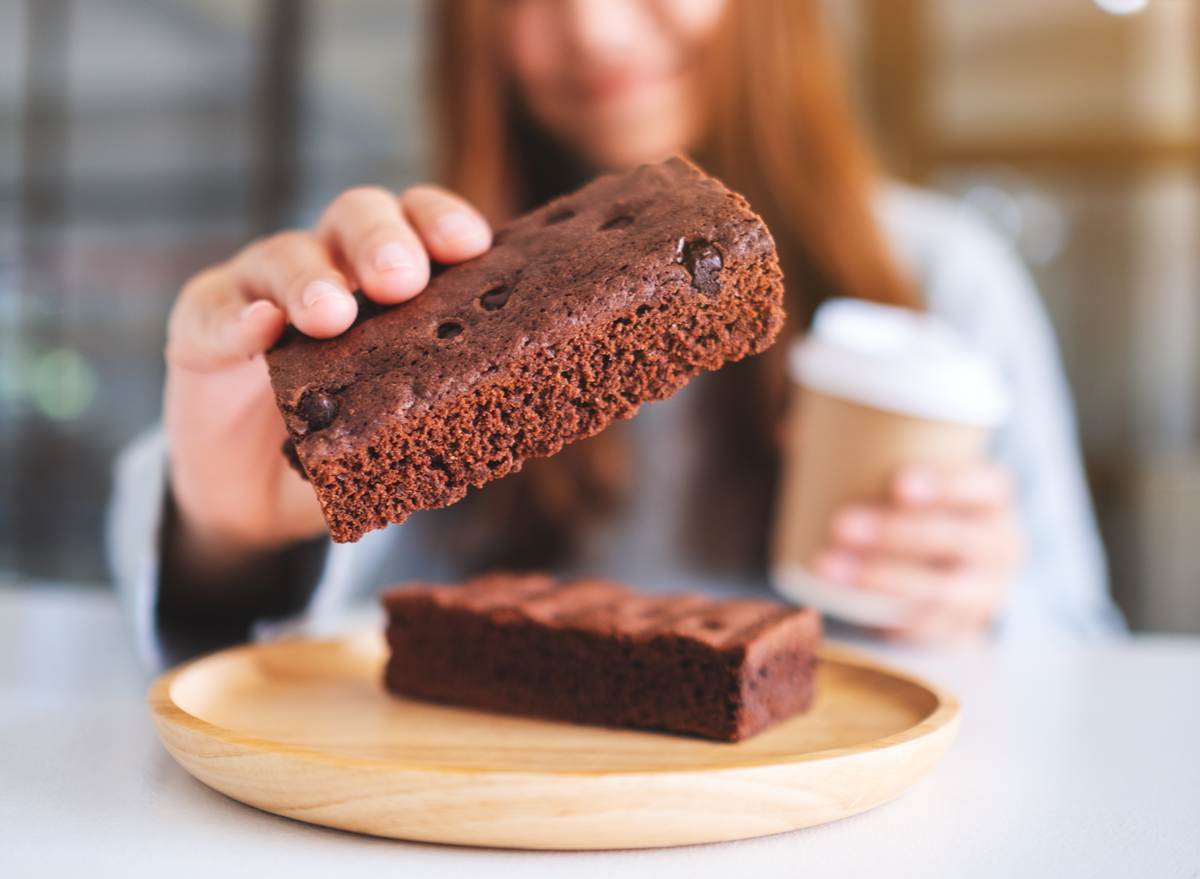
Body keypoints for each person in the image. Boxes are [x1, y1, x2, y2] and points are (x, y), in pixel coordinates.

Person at [109, 0, 1125, 669]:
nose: (592, 27)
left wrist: (985, 608)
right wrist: (225, 535)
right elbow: (275, 647)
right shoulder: (419, 288)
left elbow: (1085, 652)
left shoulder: (939, 278)